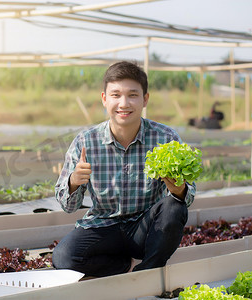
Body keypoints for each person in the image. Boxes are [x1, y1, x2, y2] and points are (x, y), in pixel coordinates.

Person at [52, 61, 196, 277]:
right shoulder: (86, 141)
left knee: (175, 207)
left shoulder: (165, 138)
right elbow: (67, 205)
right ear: (104, 99)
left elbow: (188, 197)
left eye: (133, 95)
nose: (124, 103)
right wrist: (74, 181)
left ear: (145, 99)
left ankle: (147, 271)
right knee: (63, 257)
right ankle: (120, 265)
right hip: (103, 227)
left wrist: (179, 190)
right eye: (116, 95)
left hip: (145, 230)